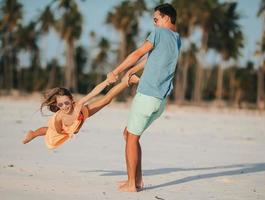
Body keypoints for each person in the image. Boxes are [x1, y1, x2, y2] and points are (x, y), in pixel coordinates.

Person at [107, 3, 181, 192]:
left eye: (156, 19)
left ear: (166, 18)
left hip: (147, 95)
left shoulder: (159, 33)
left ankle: (131, 184)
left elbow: (138, 53)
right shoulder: (176, 39)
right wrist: (133, 70)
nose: (154, 24)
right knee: (130, 134)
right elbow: (150, 58)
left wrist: (115, 72)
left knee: (131, 137)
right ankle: (137, 181)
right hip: (160, 101)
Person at [22, 74, 139, 149]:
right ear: (57, 105)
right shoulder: (59, 117)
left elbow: (93, 93)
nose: (64, 106)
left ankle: (127, 81)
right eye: (60, 104)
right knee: (49, 131)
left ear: (72, 100)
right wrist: (72, 132)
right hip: (64, 128)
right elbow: (57, 130)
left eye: (67, 103)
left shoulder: (78, 105)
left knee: (106, 100)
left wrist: (106, 82)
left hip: (81, 114)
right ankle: (33, 133)